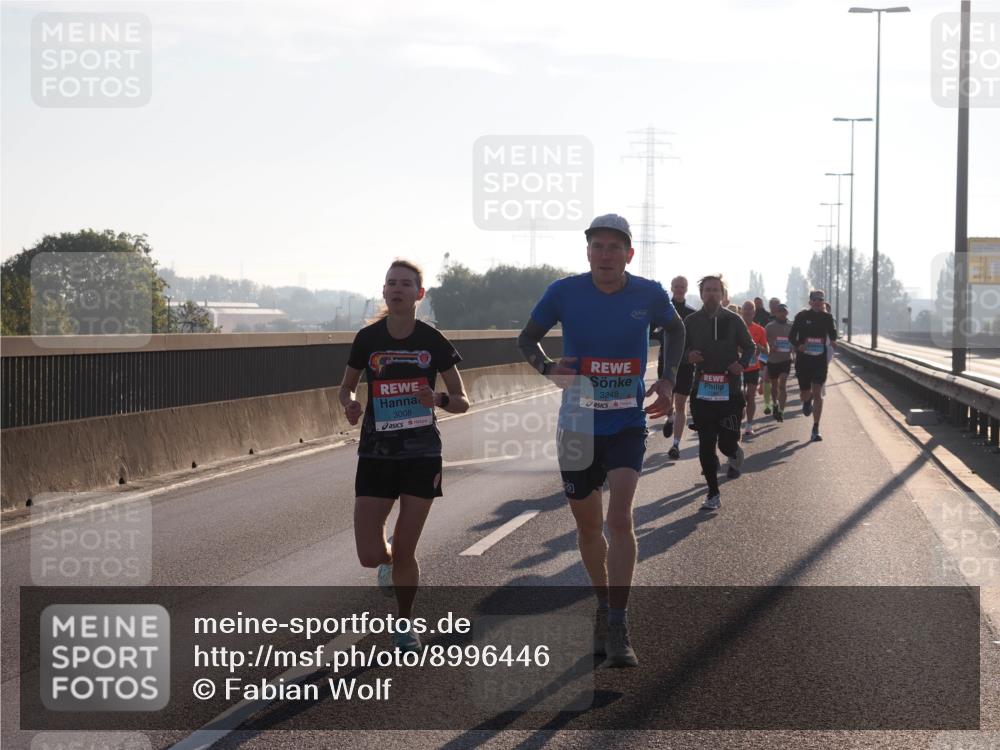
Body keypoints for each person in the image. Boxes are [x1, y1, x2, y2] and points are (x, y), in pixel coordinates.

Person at [518, 213, 685, 668]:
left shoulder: (648, 294)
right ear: (588, 251)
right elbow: (527, 339)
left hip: (627, 421)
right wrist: (548, 368)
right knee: (589, 527)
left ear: (629, 254)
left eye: (615, 247)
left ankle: (618, 619)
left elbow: (676, 328)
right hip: (576, 425)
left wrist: (667, 380)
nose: (606, 254)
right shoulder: (563, 292)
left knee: (619, 518)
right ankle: (601, 604)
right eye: (598, 246)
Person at [340, 259, 470, 652]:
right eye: (391, 283)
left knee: (407, 553)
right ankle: (388, 560)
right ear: (384, 292)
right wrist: (348, 405)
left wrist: (440, 399)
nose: (397, 289)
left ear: (419, 293)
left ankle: (404, 624)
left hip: (421, 453)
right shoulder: (367, 339)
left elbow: (463, 401)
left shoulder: (433, 341)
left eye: (405, 283)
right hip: (377, 453)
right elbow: (345, 388)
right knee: (369, 555)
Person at [684, 275, 754, 510]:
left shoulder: (733, 319)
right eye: (707, 290)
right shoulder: (691, 321)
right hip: (702, 391)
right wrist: (688, 356)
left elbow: (750, 346)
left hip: (730, 392)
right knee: (706, 443)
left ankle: (734, 451)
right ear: (701, 293)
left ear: (722, 294)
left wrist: (741, 364)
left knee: (725, 444)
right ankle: (713, 493)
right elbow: (679, 349)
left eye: (716, 290)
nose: (711, 294)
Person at [789, 289, 838, 442]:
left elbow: (833, 335)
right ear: (810, 302)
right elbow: (791, 336)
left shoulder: (827, 317)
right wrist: (799, 345)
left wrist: (833, 333)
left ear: (823, 302)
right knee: (806, 393)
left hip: (819, 361)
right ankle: (806, 400)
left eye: (820, 300)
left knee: (817, 392)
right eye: (815, 300)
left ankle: (816, 428)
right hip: (804, 360)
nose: (817, 302)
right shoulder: (802, 316)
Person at [660, 275, 697, 459]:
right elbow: (652, 332)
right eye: (677, 286)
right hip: (666, 362)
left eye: (683, 286)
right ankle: (670, 416)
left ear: (686, 289)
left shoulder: (692, 313)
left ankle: (675, 445)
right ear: (672, 288)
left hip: (685, 364)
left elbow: (697, 339)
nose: (680, 289)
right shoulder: (663, 310)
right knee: (668, 399)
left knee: (681, 403)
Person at [739, 301, 769, 438]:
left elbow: (766, 350)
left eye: (750, 310)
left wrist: (757, 348)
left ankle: (749, 426)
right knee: (739, 397)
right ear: (741, 312)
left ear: (754, 313)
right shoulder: (735, 327)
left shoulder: (760, 330)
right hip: (738, 368)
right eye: (745, 310)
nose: (747, 313)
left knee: (750, 396)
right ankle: (739, 416)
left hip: (753, 368)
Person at [765, 303, 794, 422]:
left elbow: (795, 341)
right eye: (780, 311)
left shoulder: (791, 326)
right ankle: (774, 404)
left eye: (784, 311)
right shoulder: (769, 326)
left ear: (787, 313)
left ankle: (781, 411)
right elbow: (764, 342)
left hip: (785, 360)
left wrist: (793, 349)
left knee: (782, 384)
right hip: (773, 360)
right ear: (776, 313)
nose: (782, 314)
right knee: (774, 387)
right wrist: (770, 347)